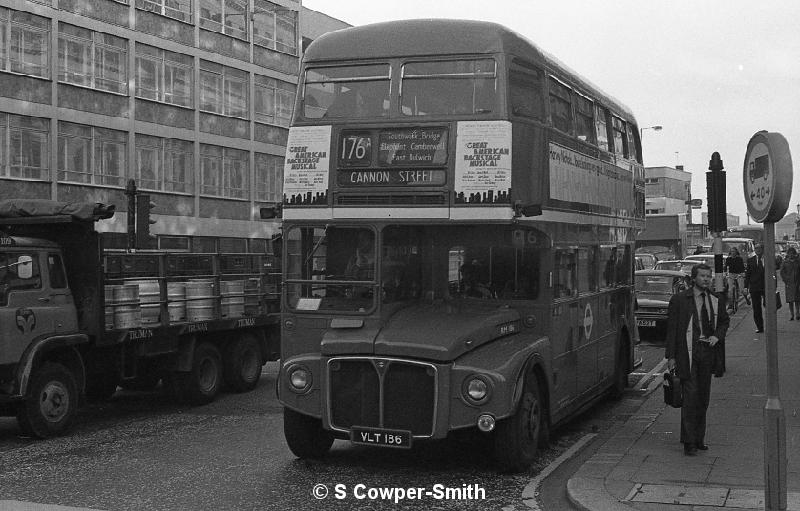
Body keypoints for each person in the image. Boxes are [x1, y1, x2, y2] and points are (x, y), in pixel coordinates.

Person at [664, 263, 728, 456]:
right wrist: (671, 356)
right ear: (694, 278)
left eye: (709, 276)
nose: (707, 279)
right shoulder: (680, 300)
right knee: (690, 397)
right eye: (702, 276)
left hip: (707, 352)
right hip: (688, 353)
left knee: (703, 398)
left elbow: (724, 321)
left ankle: (699, 438)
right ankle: (689, 442)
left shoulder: (715, 300)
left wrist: (717, 335)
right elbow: (673, 329)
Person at [744, 243, 767, 333]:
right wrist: (746, 287)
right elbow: (748, 274)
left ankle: (769, 325)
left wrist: (774, 286)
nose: (757, 250)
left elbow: (773, 273)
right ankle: (760, 327)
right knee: (756, 308)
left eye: (759, 248)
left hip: (766, 286)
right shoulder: (751, 260)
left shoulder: (767, 259)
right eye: (756, 248)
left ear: (763, 249)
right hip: (754, 287)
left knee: (768, 306)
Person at [779, 246, 800, 320]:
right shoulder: (785, 262)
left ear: (794, 254)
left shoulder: (797, 262)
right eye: (790, 253)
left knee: (797, 299)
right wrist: (786, 279)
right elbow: (782, 272)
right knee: (790, 300)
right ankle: (792, 315)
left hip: (797, 283)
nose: (791, 255)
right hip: (789, 284)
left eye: (792, 253)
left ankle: (798, 313)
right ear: (788, 254)